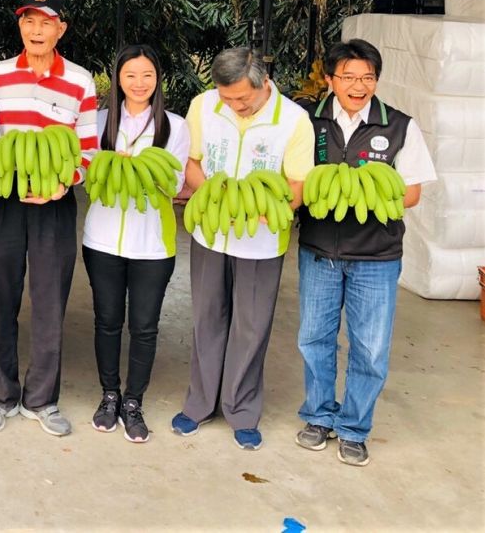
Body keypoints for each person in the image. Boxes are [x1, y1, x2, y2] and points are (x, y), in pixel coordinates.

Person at [294, 39, 436, 467]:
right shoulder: (308, 121)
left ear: (377, 80)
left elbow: (411, 193)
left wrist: (360, 190)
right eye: (349, 77)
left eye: (367, 78)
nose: (359, 86)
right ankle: (318, 415)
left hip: (377, 254)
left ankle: (354, 428)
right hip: (319, 250)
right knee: (314, 339)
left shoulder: (399, 126)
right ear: (330, 79)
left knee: (370, 348)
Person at [172, 46, 313, 451]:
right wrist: (218, 198)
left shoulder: (293, 120)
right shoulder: (203, 105)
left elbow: (298, 184)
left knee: (250, 328)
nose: (235, 106)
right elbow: (190, 162)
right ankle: (199, 404)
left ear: (264, 83)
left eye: (243, 99)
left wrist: (265, 211)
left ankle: (242, 410)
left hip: (262, 242)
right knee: (207, 318)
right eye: (227, 98)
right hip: (212, 232)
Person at [0, 0, 98, 437]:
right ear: (20, 26)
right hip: (4, 197)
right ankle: (1, 396)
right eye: (29, 21)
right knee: (0, 299)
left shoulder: (81, 81)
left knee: (49, 302)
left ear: (60, 29)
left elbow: (88, 148)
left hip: (54, 203)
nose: (36, 30)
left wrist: (63, 184)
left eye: (46, 22)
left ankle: (42, 399)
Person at [83, 45, 190, 444]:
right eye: (130, 75)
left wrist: (136, 168)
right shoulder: (98, 122)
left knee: (144, 326)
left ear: (158, 79)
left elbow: (175, 184)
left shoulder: (175, 126)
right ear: (117, 79)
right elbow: (88, 176)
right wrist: (113, 166)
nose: (139, 83)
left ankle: (133, 401)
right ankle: (109, 394)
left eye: (147, 75)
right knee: (107, 321)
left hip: (153, 245)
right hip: (102, 240)